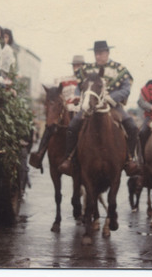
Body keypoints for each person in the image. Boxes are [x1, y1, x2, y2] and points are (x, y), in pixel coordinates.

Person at [58, 40, 140, 176]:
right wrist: (79, 97)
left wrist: (110, 98)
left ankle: (130, 160)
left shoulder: (119, 69)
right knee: (72, 126)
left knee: (132, 127)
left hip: (113, 106)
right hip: (89, 106)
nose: (98, 56)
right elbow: (80, 87)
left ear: (107, 53)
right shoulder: (87, 69)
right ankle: (69, 159)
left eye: (101, 53)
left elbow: (126, 89)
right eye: (96, 53)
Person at [29, 55, 85, 170]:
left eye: (79, 65)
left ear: (83, 67)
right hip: (64, 110)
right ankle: (40, 153)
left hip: (80, 111)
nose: (77, 68)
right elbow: (55, 93)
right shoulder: (64, 79)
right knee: (50, 126)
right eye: (75, 65)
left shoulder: (86, 81)